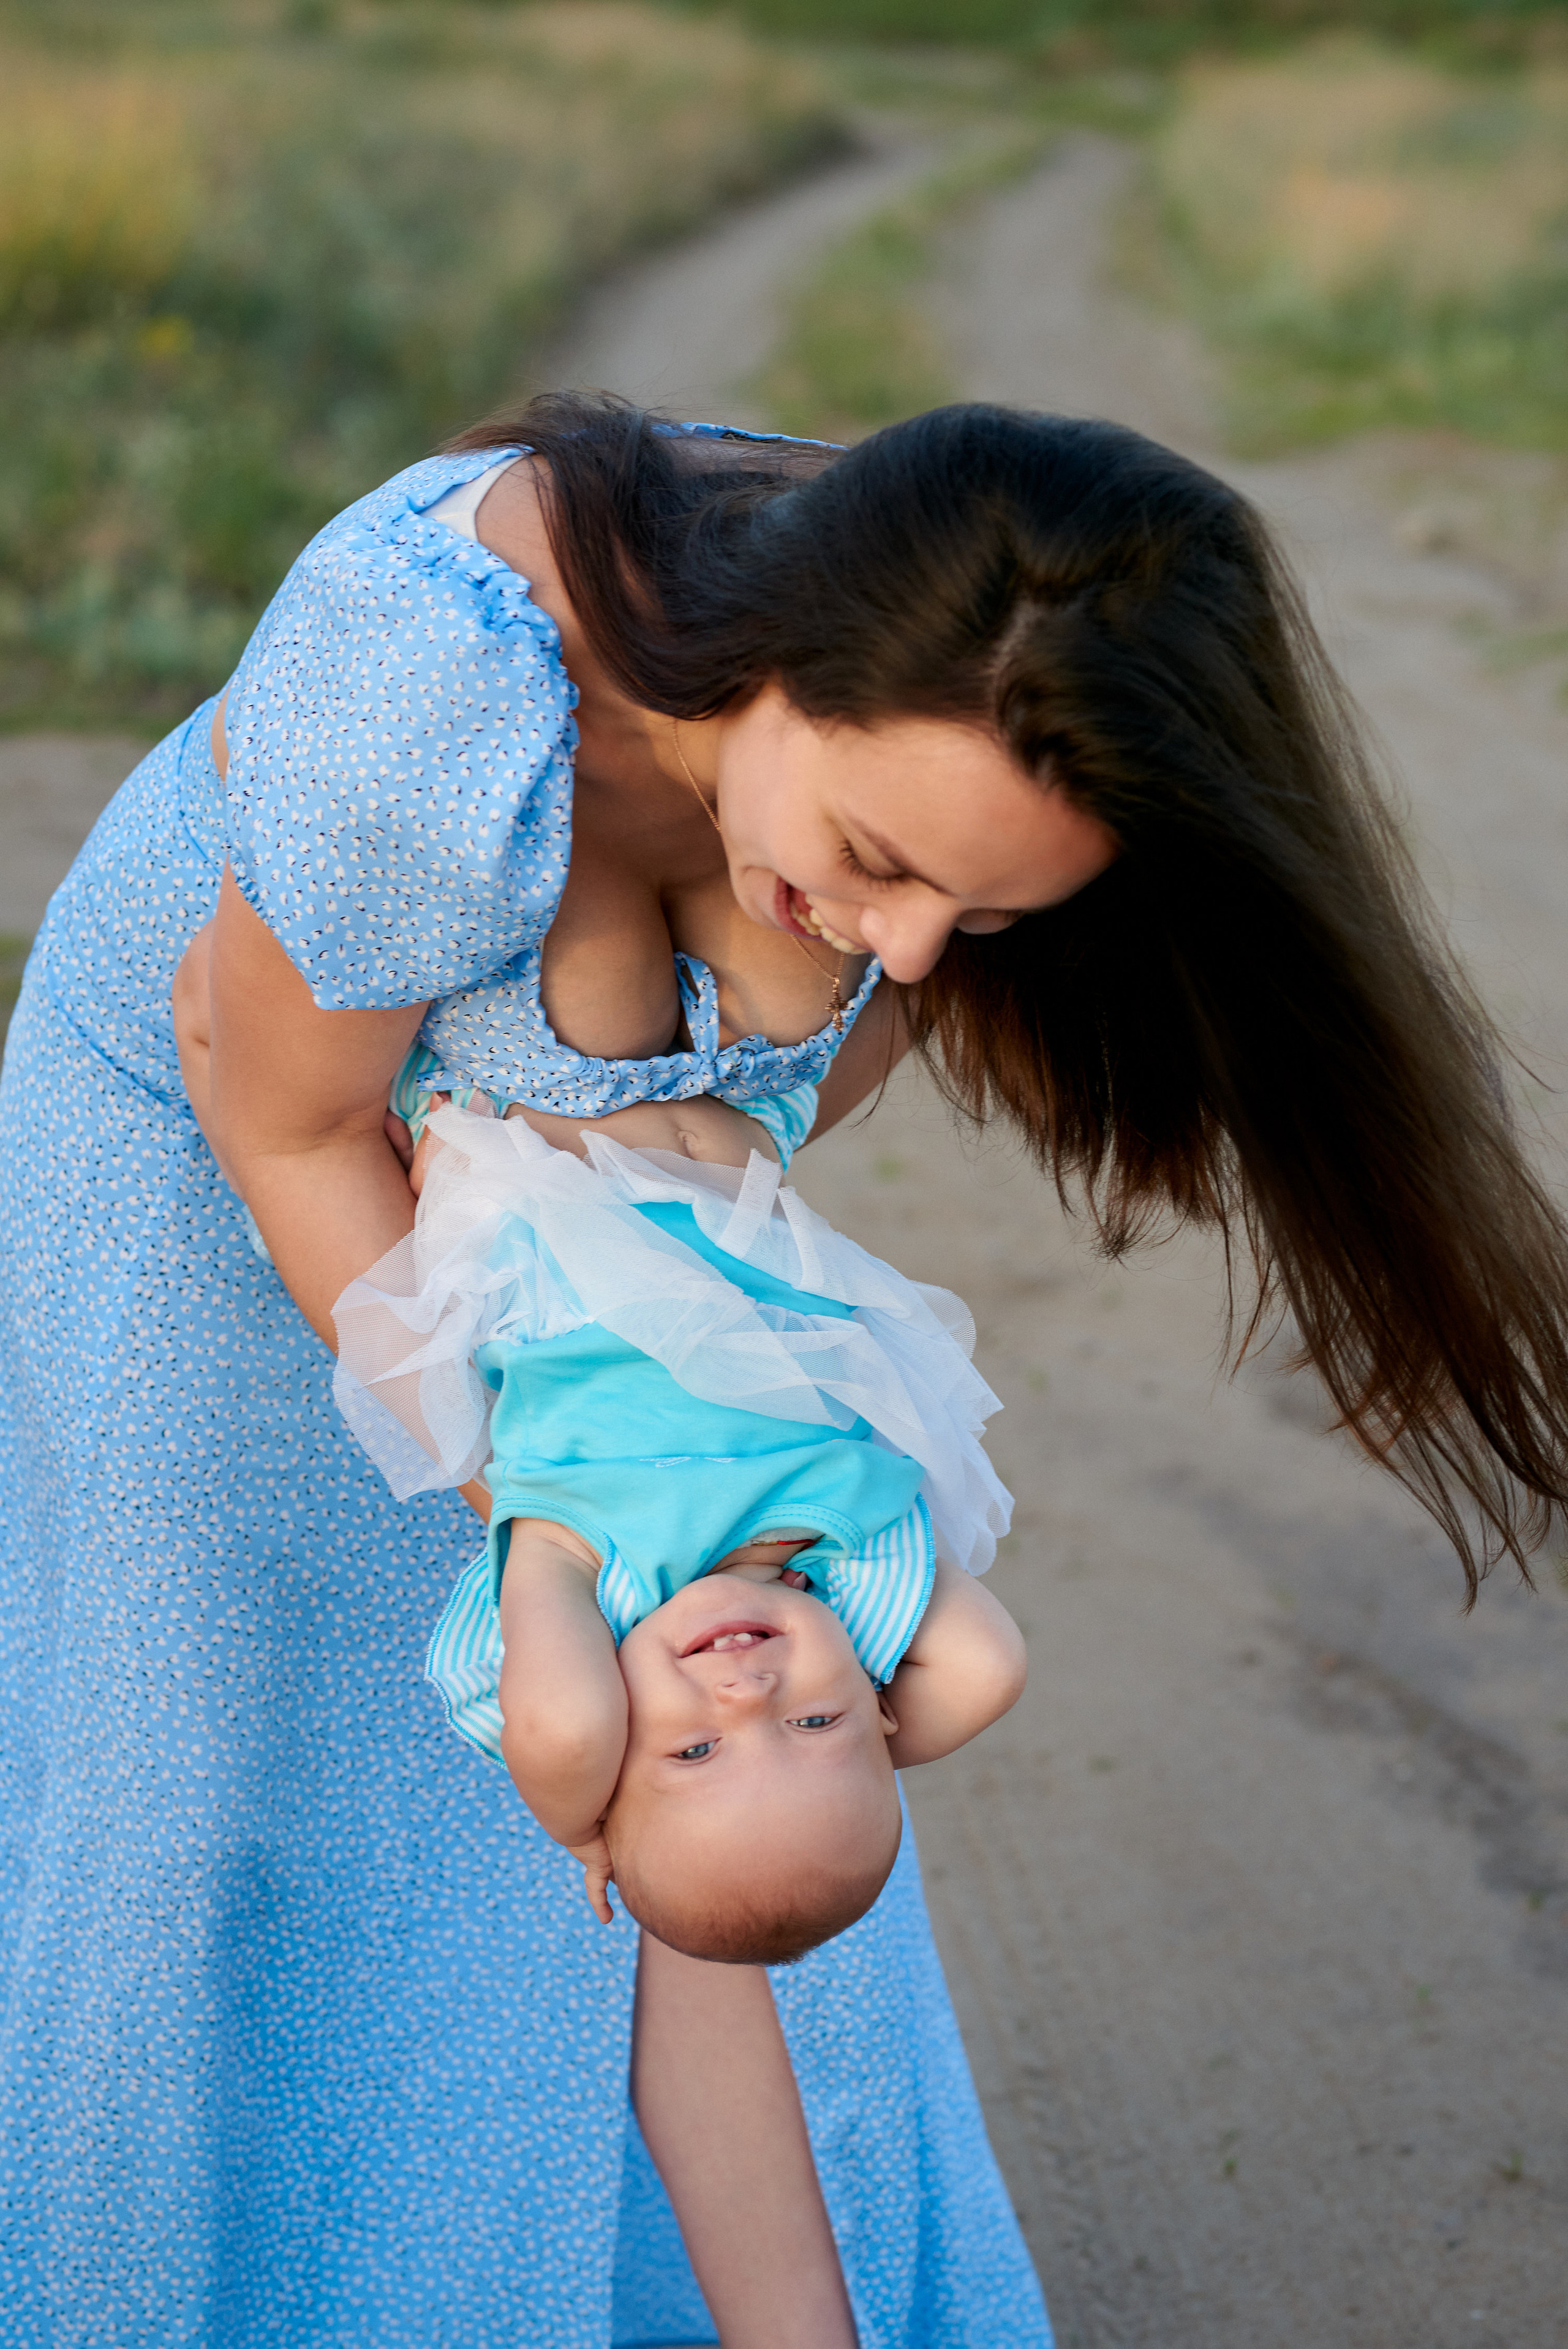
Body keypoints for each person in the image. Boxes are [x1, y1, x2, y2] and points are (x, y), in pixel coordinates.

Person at [4, 394, 1567, 2349]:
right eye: (878, 861)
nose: (911, 950)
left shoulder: (957, 719)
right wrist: (560, 1513)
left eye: (979, 916)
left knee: (733, 1823)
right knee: (216, 1790)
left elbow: (747, 1107)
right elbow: (293, 1120)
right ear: (780, 664)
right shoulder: (434, 697)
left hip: (547, 1259)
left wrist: (649, 1384)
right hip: (220, 1142)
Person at [333, 1080, 1026, 1963]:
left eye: (696, 1751)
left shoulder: (581, 1578)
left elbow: (562, 1731)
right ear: (879, 1707)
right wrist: (845, 1725)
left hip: (544, 1201)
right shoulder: (853, 1577)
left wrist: (581, 1827)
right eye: (815, 1726)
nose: (749, 1694)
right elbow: (988, 1671)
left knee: (600, 976)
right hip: (713, 1158)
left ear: (614, 1746)